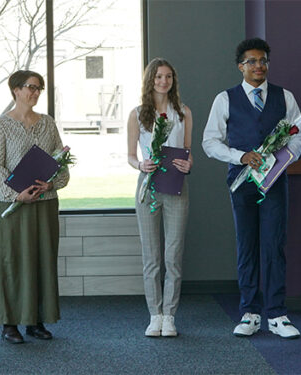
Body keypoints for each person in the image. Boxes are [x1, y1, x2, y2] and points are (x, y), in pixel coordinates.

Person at [202, 38, 301, 339]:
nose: (259, 66)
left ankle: (277, 314)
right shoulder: (225, 99)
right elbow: (209, 141)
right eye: (252, 61)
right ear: (240, 66)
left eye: (263, 61)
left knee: (274, 245)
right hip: (241, 182)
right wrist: (240, 156)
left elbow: (299, 135)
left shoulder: (284, 97)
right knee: (247, 246)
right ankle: (249, 313)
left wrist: (283, 158)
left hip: (274, 182)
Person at [0, 70, 69, 344]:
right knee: (12, 261)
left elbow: (60, 161)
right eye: (30, 87)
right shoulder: (1, 125)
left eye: (38, 88)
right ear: (16, 90)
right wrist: (16, 194)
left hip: (44, 204)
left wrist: (52, 184)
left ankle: (36, 321)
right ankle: (10, 323)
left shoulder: (48, 123)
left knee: (42, 259)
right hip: (12, 205)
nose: (35, 92)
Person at [126, 58, 193, 337]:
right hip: (148, 187)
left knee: (173, 256)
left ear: (173, 80)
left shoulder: (183, 112)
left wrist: (189, 164)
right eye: (158, 76)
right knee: (151, 256)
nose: (163, 81)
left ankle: (170, 316)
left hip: (176, 187)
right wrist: (140, 164)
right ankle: (155, 315)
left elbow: (188, 152)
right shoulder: (138, 114)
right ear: (150, 80)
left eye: (168, 76)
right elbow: (130, 156)